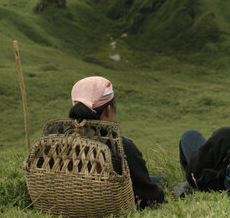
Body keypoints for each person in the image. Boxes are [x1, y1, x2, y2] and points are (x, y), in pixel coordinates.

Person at [68, 76, 165, 209]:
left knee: (157, 179)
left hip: (72, 197)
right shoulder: (122, 146)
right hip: (104, 199)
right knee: (159, 181)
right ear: (108, 110)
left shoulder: (57, 138)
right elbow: (149, 197)